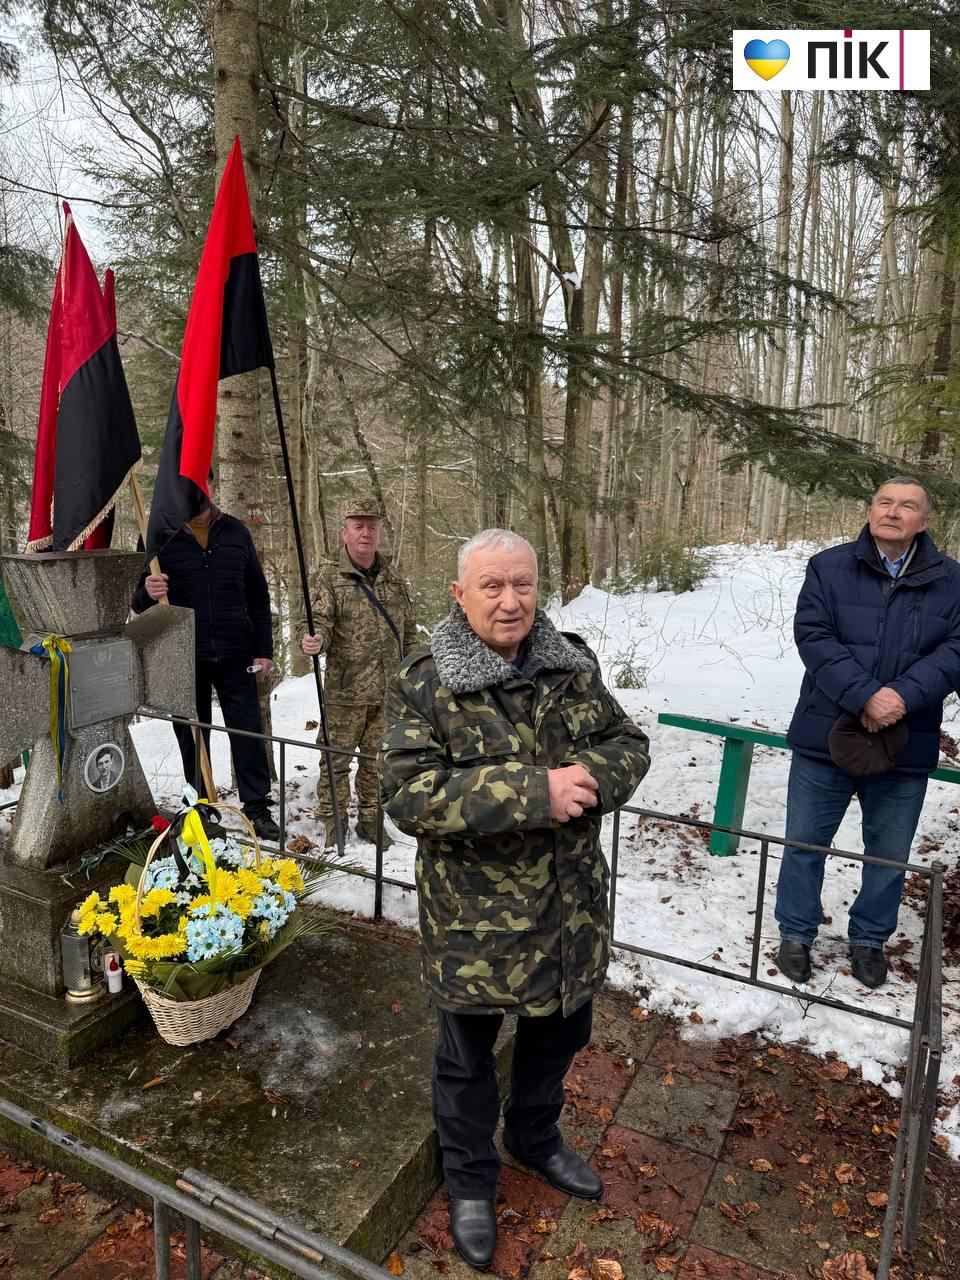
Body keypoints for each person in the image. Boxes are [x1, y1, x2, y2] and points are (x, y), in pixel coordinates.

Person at [378, 528, 650, 1268]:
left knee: (558, 1035)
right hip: (476, 918)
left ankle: (534, 1138)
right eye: (492, 586)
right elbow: (408, 794)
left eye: (522, 584)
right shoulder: (425, 680)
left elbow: (628, 743)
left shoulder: (571, 664)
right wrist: (538, 791)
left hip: (569, 909)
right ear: (460, 595)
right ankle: (470, 1180)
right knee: (467, 1059)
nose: (510, 600)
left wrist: (589, 781)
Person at [776, 477, 960, 990]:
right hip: (824, 735)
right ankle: (795, 932)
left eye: (907, 506)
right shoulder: (828, 567)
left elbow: (956, 651)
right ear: (870, 510)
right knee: (804, 844)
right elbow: (814, 637)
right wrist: (865, 696)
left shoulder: (954, 580)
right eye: (884, 502)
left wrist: (900, 697)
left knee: (888, 854)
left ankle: (869, 940)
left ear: (925, 522)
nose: (893, 512)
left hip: (907, 739)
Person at [132, 482, 280, 842]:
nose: (195, 491)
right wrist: (148, 594)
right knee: (191, 733)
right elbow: (138, 602)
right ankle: (200, 806)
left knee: (246, 730)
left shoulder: (235, 531)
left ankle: (257, 808)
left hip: (236, 651)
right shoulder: (156, 537)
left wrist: (264, 648)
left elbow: (258, 594)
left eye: (202, 483)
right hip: (183, 654)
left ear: (212, 486)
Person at [299, 495, 416, 848]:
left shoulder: (393, 579)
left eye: (372, 527)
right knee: (336, 763)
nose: (366, 533)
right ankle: (335, 824)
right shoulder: (329, 578)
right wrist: (316, 640)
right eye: (358, 526)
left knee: (376, 763)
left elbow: (407, 630)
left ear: (380, 533)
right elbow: (320, 622)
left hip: (387, 693)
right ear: (344, 533)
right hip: (345, 692)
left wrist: (412, 672)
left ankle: (370, 820)